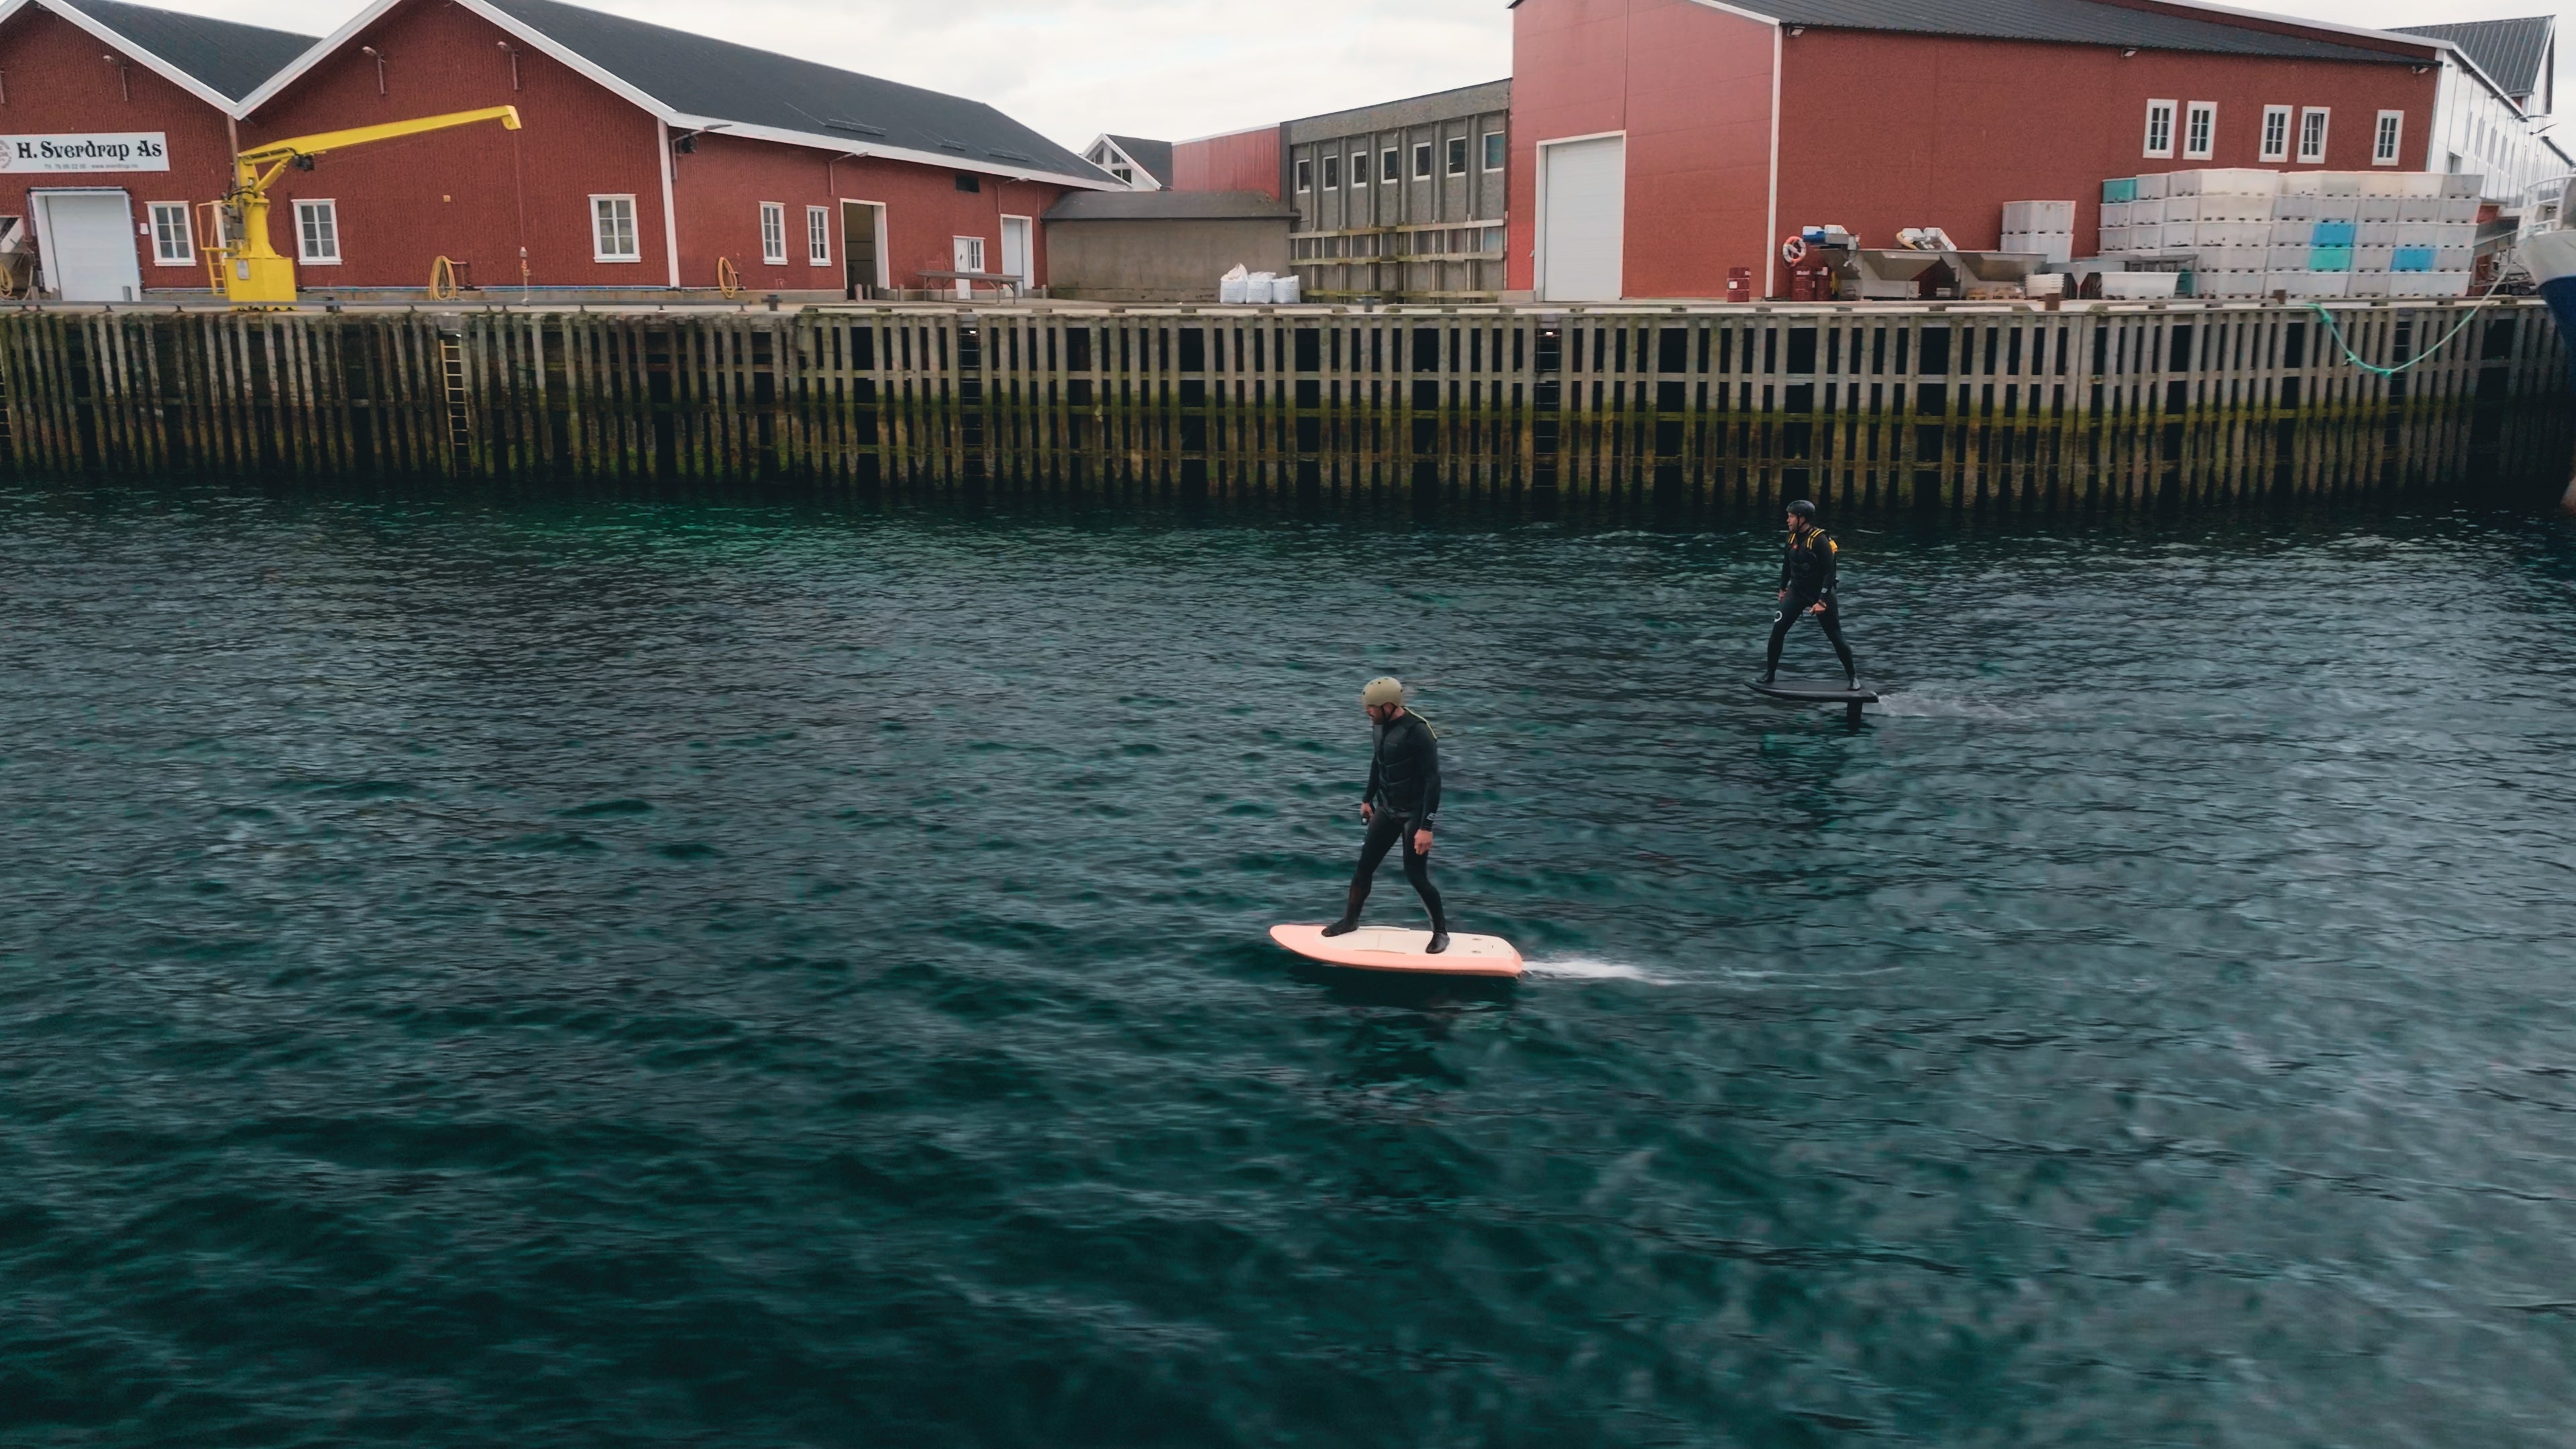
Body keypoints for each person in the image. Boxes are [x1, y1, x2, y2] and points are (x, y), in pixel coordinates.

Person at [1322, 676, 1449, 953]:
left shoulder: (1418, 731)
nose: (1367, 712)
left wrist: (1427, 827)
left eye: (1371, 707)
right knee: (1363, 868)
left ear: (1389, 705)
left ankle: (1441, 932)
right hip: (1387, 809)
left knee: (1415, 876)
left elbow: (1433, 780)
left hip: (1415, 814)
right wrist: (1367, 798)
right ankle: (1350, 921)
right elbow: (1378, 763)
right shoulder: (1379, 726)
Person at [1760, 500, 1858, 689]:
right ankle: (1770, 674)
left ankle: (1853, 677)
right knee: (1777, 632)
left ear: (1801, 518)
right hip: (1797, 591)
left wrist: (1822, 601)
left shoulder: (1819, 540)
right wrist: (1782, 588)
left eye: (1790, 516)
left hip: (1820, 593)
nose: (1787, 520)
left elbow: (1830, 572)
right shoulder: (1791, 536)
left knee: (1835, 636)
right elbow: (1787, 563)